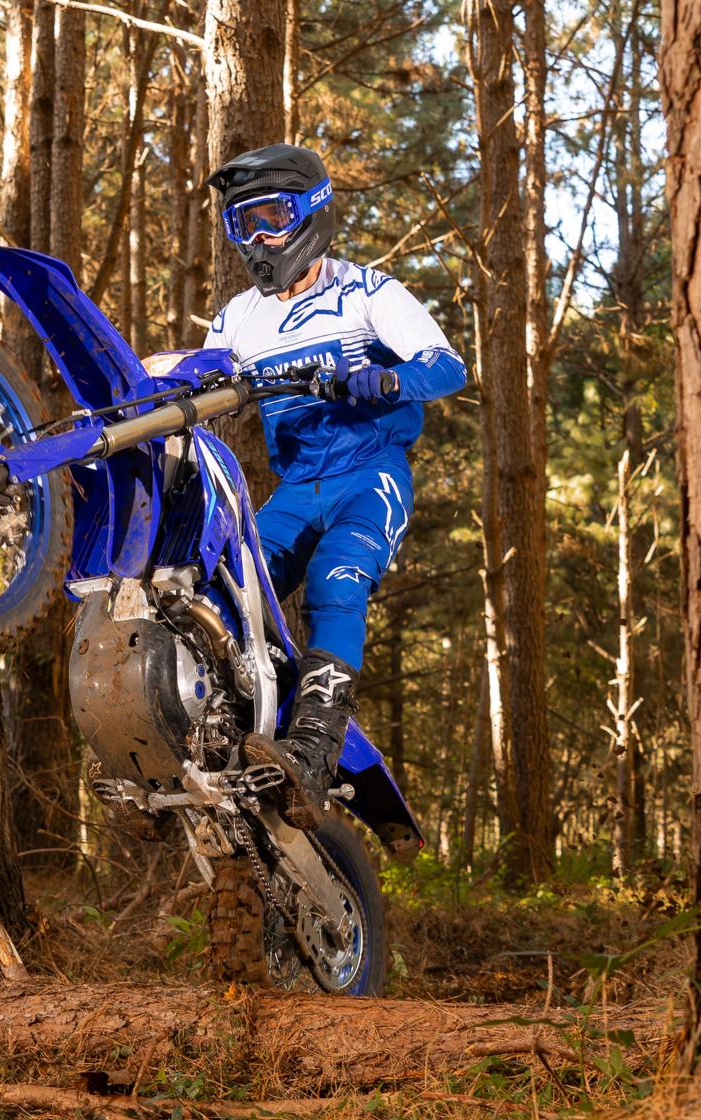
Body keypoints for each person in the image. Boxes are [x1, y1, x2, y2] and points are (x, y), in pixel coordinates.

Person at [200, 142, 466, 832]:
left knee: (336, 581)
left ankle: (315, 753)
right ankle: (212, 729)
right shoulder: (238, 317)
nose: (260, 239)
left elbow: (447, 366)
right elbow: (195, 380)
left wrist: (387, 378)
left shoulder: (368, 292)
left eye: (273, 218)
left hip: (370, 476)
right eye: (244, 224)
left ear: (312, 213)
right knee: (224, 588)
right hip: (296, 487)